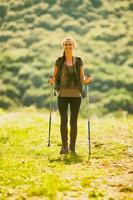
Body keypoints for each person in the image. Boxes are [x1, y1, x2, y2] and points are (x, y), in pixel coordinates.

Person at [48, 38, 92, 154]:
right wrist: (51, 80)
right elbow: (55, 77)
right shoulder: (59, 61)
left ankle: (72, 147)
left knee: (73, 121)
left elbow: (82, 78)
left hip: (76, 95)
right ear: (63, 46)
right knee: (63, 120)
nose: (68, 46)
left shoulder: (78, 61)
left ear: (73, 46)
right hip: (62, 94)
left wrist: (87, 80)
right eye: (66, 44)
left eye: (70, 44)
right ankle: (64, 147)